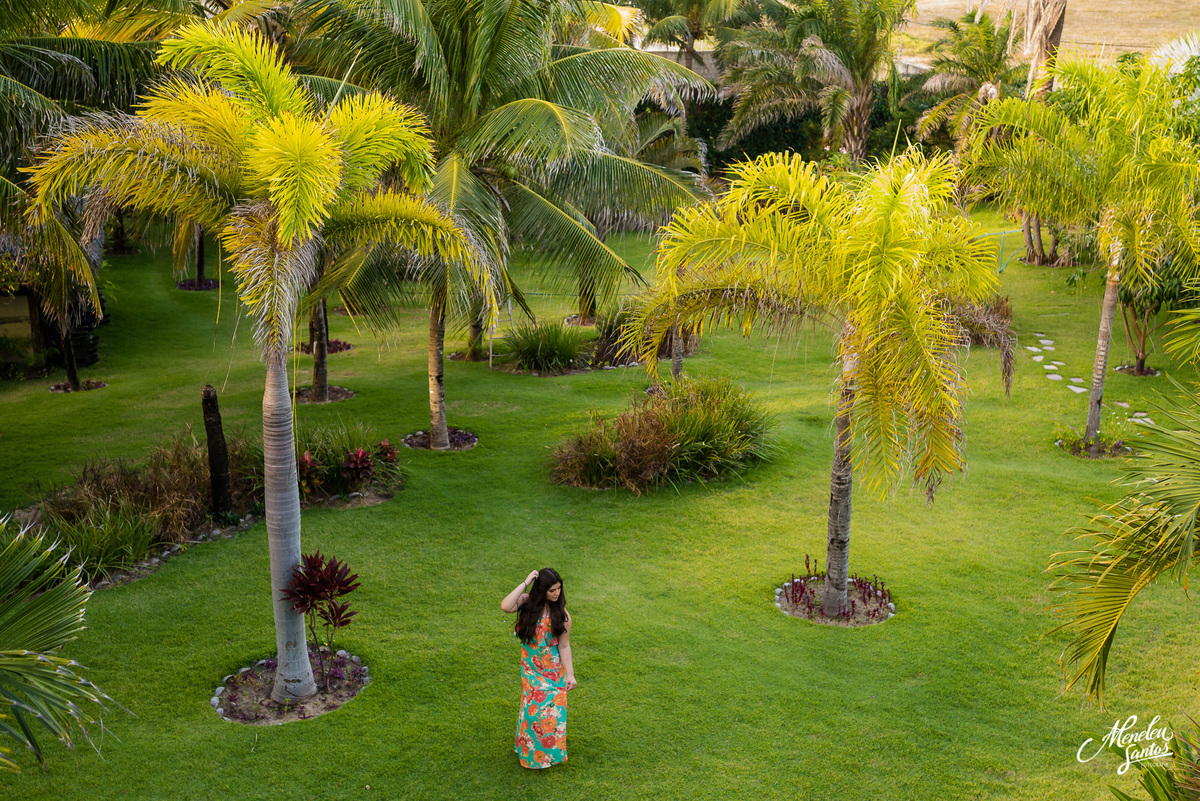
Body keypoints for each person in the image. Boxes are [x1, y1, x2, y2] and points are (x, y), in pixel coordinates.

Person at [501, 568, 575, 769]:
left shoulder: (562, 615)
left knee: (551, 714)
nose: (556, 593)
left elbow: (564, 646)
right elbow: (506, 606)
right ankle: (531, 753)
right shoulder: (527, 603)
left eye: (559, 589)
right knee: (533, 711)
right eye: (552, 590)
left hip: (553, 671)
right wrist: (525, 582)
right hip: (531, 668)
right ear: (541, 590)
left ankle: (549, 755)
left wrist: (570, 674)